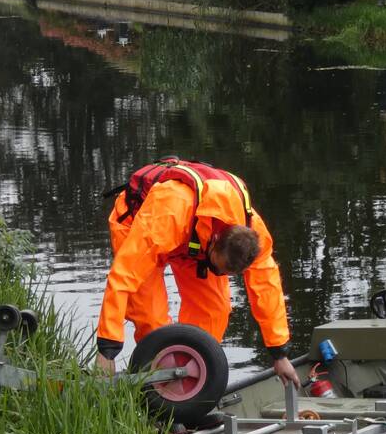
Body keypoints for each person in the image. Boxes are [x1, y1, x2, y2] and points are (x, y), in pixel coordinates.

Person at [95, 157, 299, 387]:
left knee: (214, 311)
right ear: (215, 240)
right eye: (216, 268)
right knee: (151, 319)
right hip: (142, 225)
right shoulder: (170, 212)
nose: (218, 274)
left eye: (224, 273)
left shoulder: (254, 234)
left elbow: (267, 290)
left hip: (194, 243)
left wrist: (279, 353)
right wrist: (107, 350)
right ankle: (156, 388)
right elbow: (124, 276)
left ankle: (188, 383)